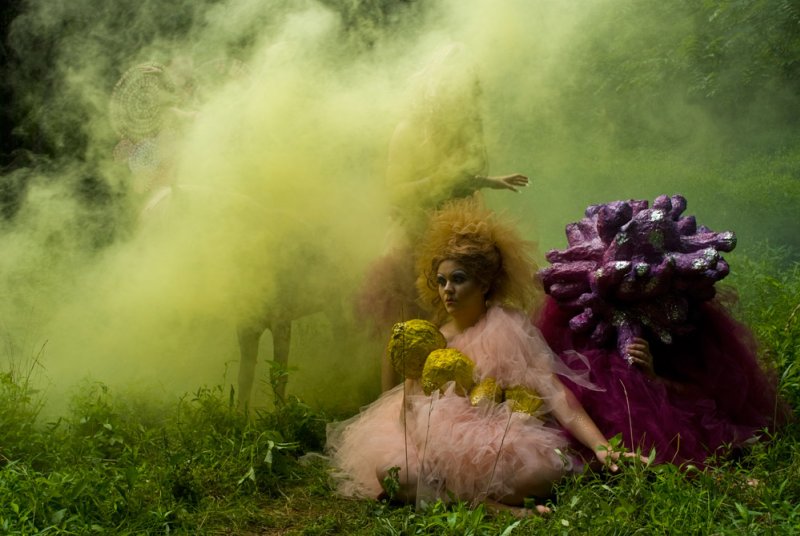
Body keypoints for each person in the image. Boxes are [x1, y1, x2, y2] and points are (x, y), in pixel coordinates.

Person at [328, 198, 631, 516]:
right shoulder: (435, 336)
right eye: (442, 281)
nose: (447, 290)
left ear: (484, 283)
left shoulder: (508, 324)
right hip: (428, 437)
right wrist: (427, 448)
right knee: (399, 474)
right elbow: (409, 405)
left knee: (543, 472)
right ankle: (491, 508)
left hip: (493, 436)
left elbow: (554, 391)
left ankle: (459, 498)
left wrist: (601, 446)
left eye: (458, 279)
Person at [535, 196, 789, 466]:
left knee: (693, 413)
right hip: (605, 324)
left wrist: (656, 376)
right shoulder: (585, 324)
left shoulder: (685, 321)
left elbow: (701, 388)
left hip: (661, 337)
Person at [354, 43, 528, 391]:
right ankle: (391, 409)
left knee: (456, 323)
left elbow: (463, 178)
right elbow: (397, 191)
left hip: (455, 239)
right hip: (415, 240)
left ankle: (451, 402)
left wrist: (491, 182)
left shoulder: (462, 135)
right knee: (403, 328)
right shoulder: (409, 131)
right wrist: (438, 180)